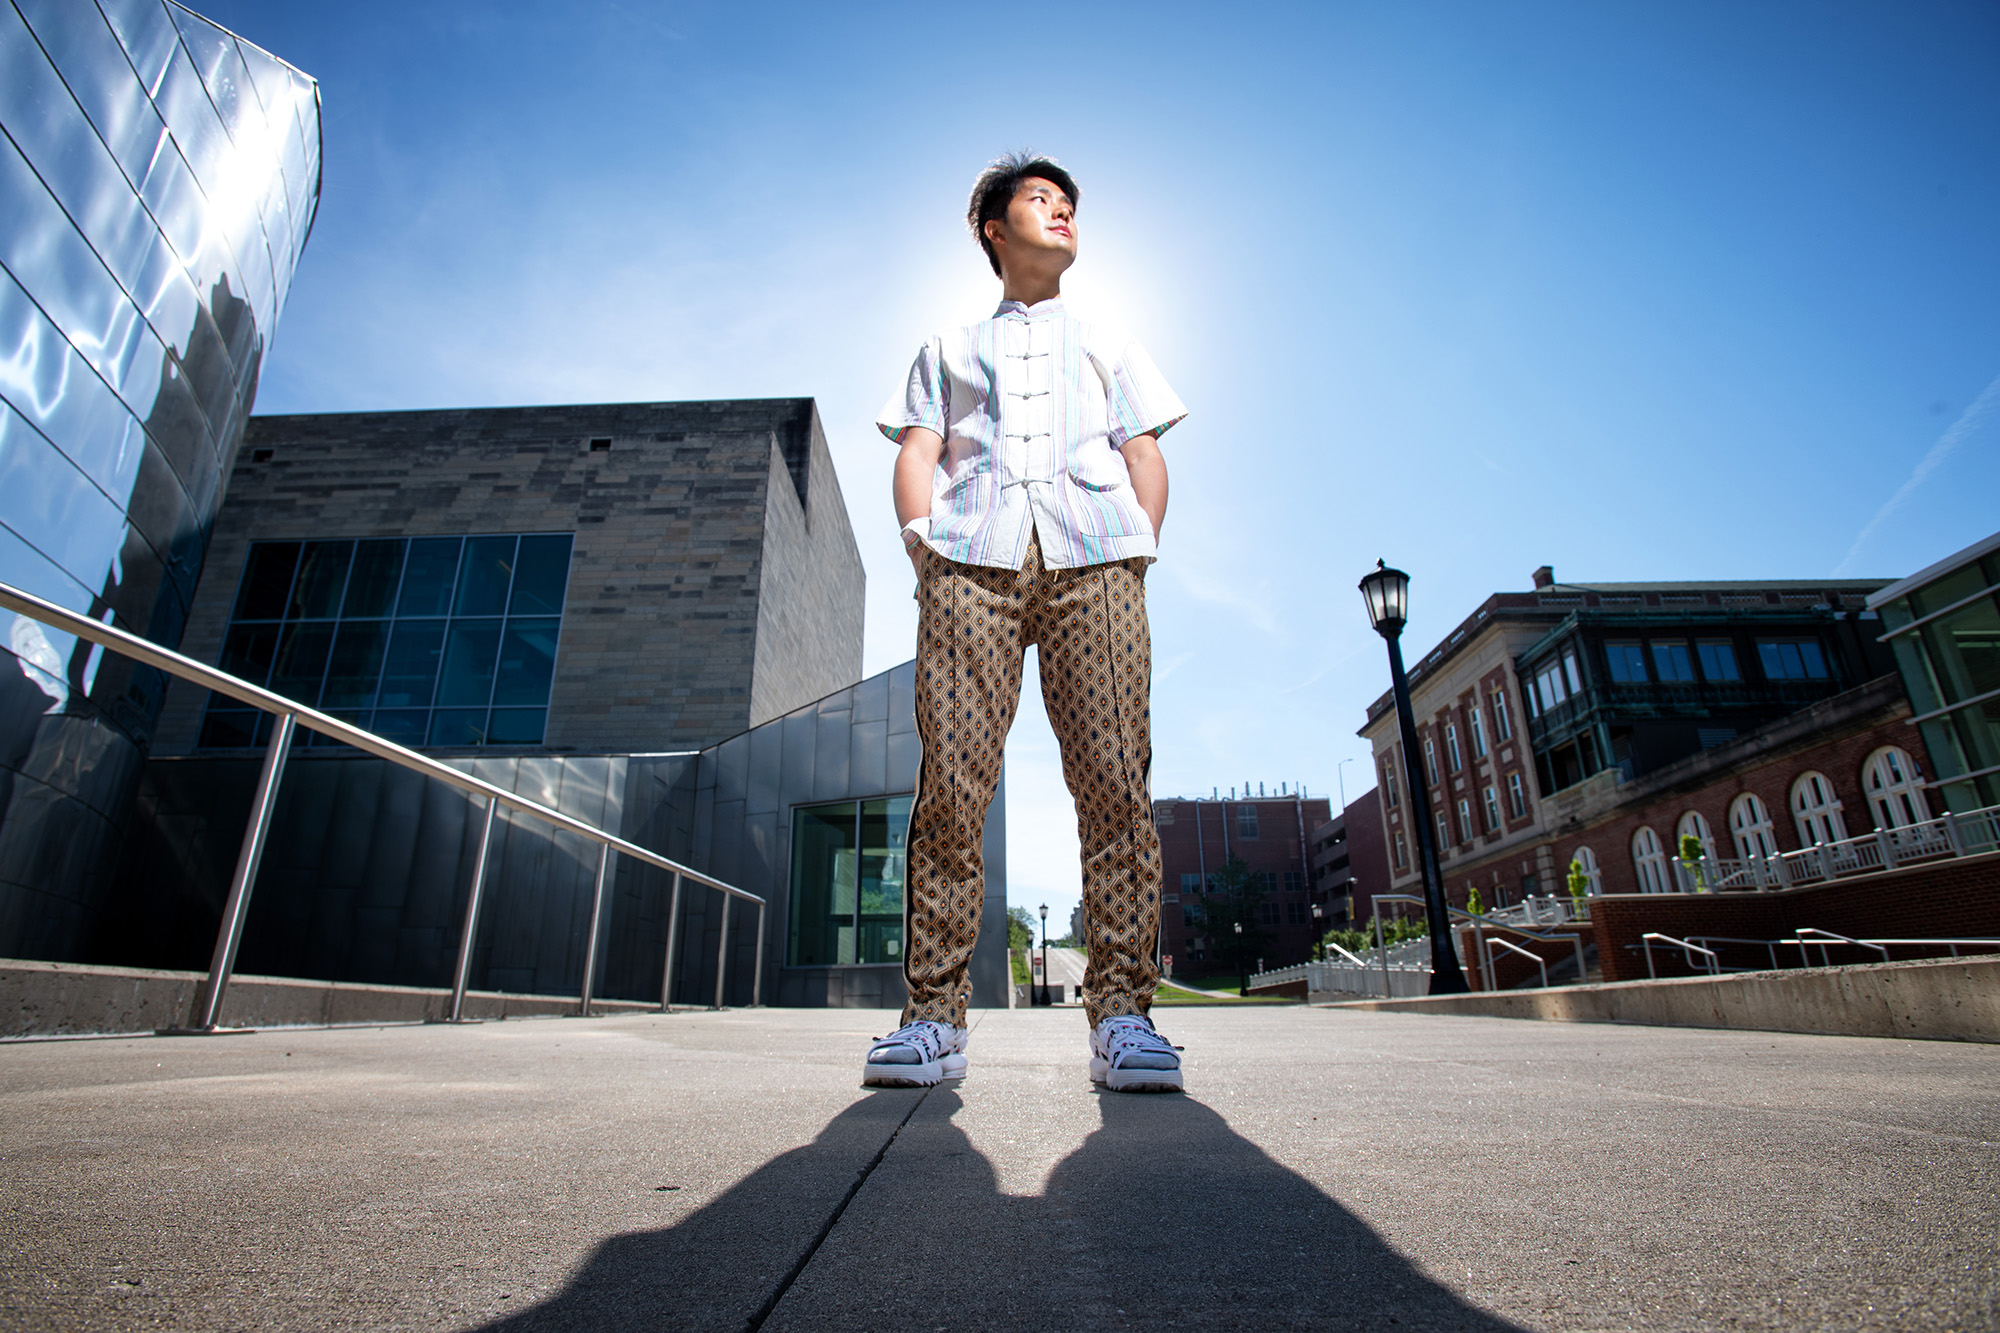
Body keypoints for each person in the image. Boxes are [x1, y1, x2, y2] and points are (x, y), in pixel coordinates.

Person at [863, 153, 1187, 1094]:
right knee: (952, 786)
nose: (1063, 213)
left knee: (1116, 783)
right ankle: (933, 1020)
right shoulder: (949, 346)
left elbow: (1143, 450)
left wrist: (1137, 545)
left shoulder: (1110, 342)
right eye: (1041, 202)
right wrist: (924, 545)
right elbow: (919, 447)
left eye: (1071, 205)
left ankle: (1123, 1012)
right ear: (994, 231)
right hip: (972, 563)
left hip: (1099, 564)